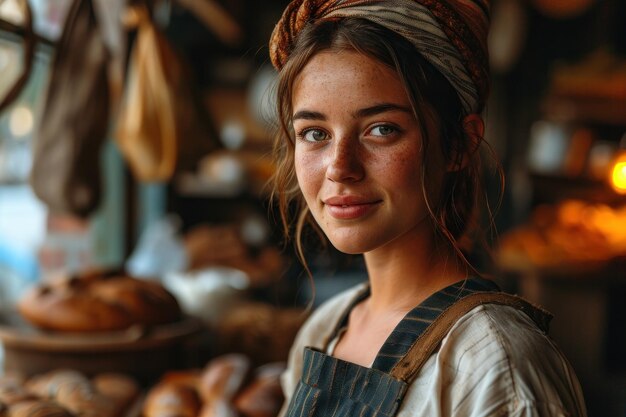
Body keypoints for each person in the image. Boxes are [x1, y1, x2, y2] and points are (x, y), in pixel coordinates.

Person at [267, 1, 587, 416]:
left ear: (458, 144)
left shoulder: (496, 364)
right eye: (314, 133)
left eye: (382, 129)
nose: (340, 168)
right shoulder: (325, 330)